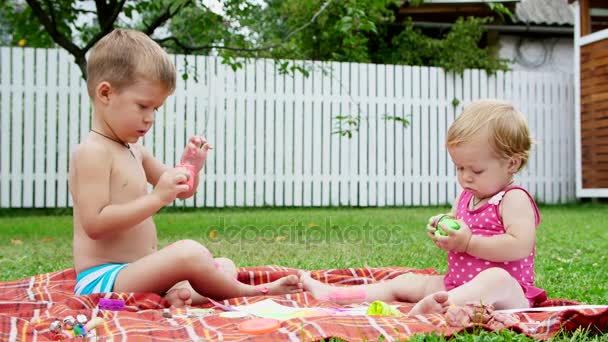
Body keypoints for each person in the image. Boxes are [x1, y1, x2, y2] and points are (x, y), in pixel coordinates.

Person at [68, 28, 301, 307]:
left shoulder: (135, 150)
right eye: (143, 106)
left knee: (222, 264)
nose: (150, 118)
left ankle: (178, 296)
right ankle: (252, 294)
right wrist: (156, 198)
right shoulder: (92, 152)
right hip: (103, 280)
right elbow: (94, 224)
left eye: (156, 109)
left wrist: (190, 167)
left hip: (138, 271)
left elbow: (182, 190)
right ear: (105, 93)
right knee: (190, 253)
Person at [300, 99, 546, 315]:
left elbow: (520, 246)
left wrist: (469, 243)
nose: (466, 177)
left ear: (512, 163)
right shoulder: (465, 197)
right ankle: (335, 295)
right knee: (407, 282)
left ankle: (441, 306)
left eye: (476, 170)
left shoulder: (513, 198)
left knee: (495, 278)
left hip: (509, 296)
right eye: (459, 168)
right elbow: (458, 230)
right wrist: (444, 232)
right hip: (456, 284)